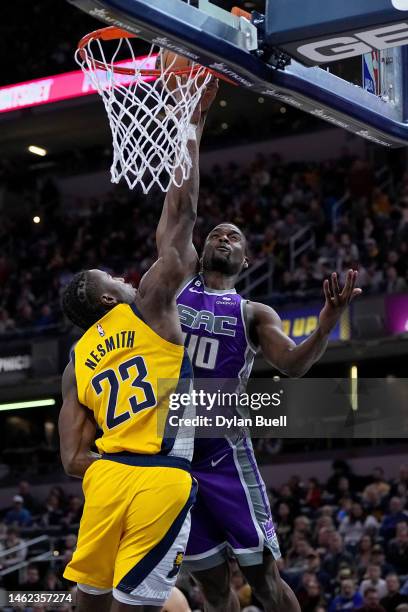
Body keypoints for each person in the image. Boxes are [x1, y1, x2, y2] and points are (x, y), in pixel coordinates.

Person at [157, 132, 361, 612]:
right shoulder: (172, 285)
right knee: (210, 586)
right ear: (200, 250)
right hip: (174, 455)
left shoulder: (252, 312)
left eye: (234, 236)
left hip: (223, 453)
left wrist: (327, 324)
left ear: (245, 260)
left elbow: (292, 364)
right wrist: (190, 137)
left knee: (264, 579)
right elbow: (182, 208)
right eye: (216, 233)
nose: (223, 237)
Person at [59, 90, 216, 612]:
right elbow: (182, 216)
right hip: (160, 474)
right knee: (141, 605)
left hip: (105, 479)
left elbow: (71, 460)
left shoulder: (75, 363)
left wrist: (114, 462)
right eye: (115, 279)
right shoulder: (148, 306)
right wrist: (189, 121)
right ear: (109, 299)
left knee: (89, 600)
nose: (127, 279)